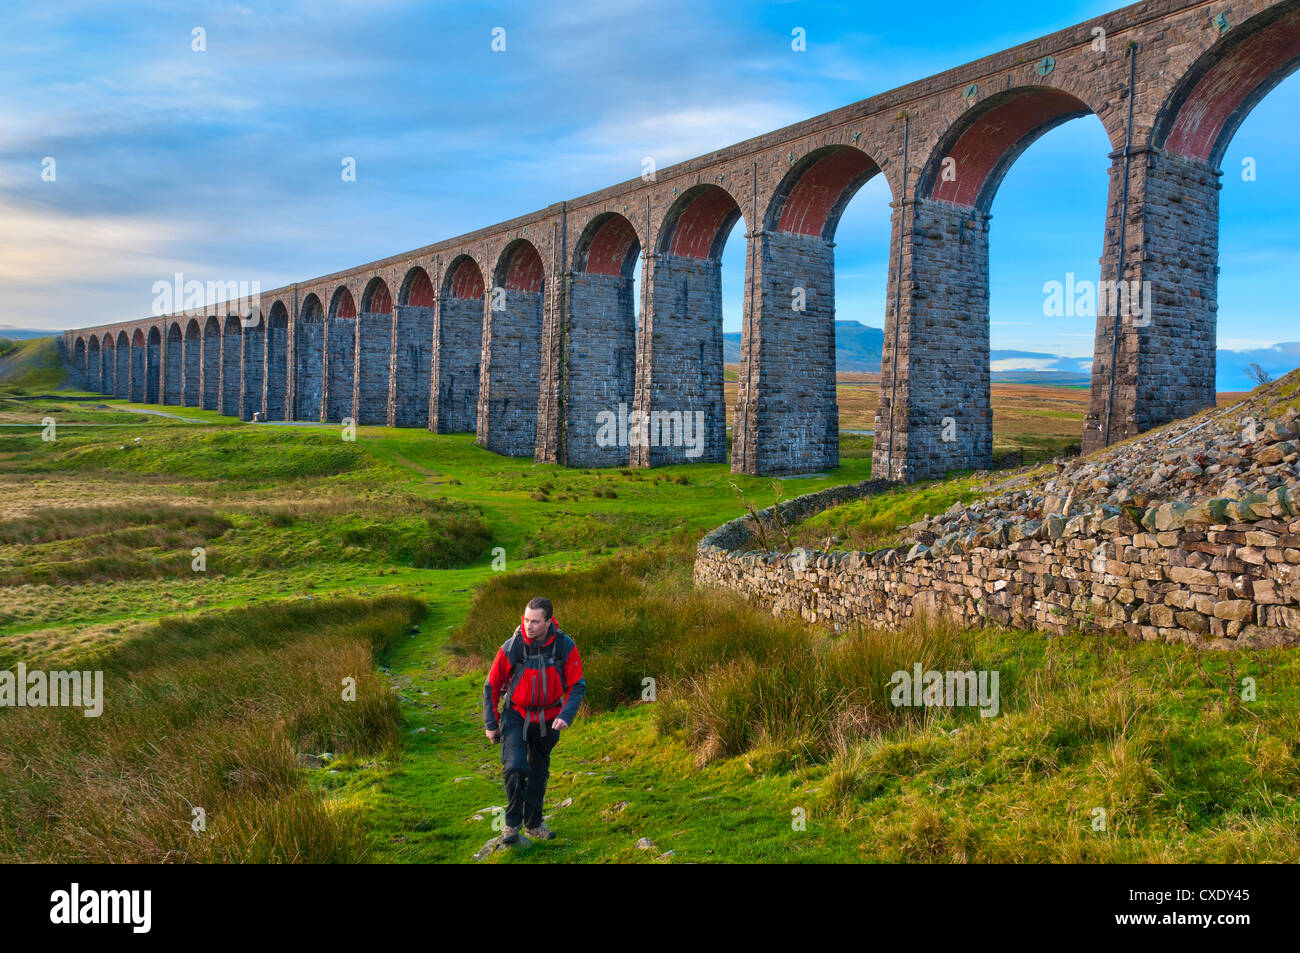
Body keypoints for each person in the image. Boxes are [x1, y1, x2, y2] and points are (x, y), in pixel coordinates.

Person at [483, 597, 586, 844]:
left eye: (535, 621)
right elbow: (491, 686)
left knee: (539, 772)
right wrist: (491, 723)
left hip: (550, 719)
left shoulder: (564, 646)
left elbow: (577, 685)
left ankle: (534, 824)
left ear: (549, 622)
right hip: (515, 715)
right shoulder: (511, 647)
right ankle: (511, 825)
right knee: (516, 767)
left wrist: (566, 715)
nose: (528, 626)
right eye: (526, 620)